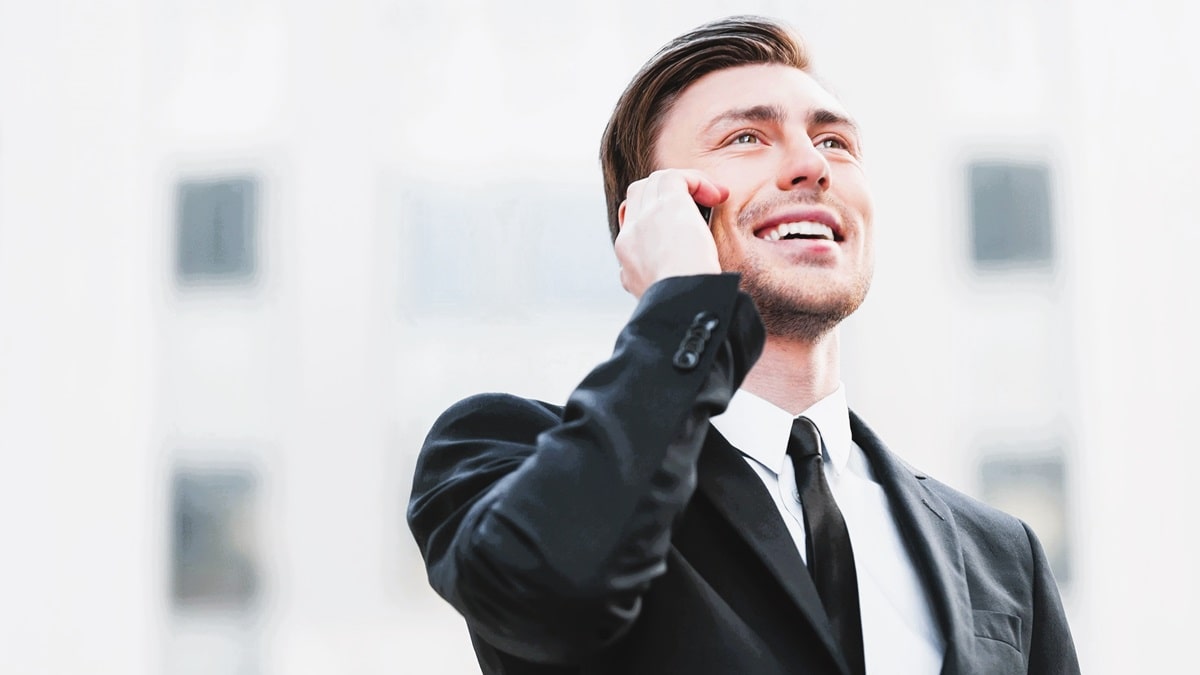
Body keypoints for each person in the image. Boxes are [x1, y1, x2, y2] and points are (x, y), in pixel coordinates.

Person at [407, 15, 1080, 675]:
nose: (811, 166)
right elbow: (552, 593)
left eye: (835, 143)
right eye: (748, 136)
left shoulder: (1000, 554)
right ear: (652, 213)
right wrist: (682, 302)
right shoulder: (506, 459)